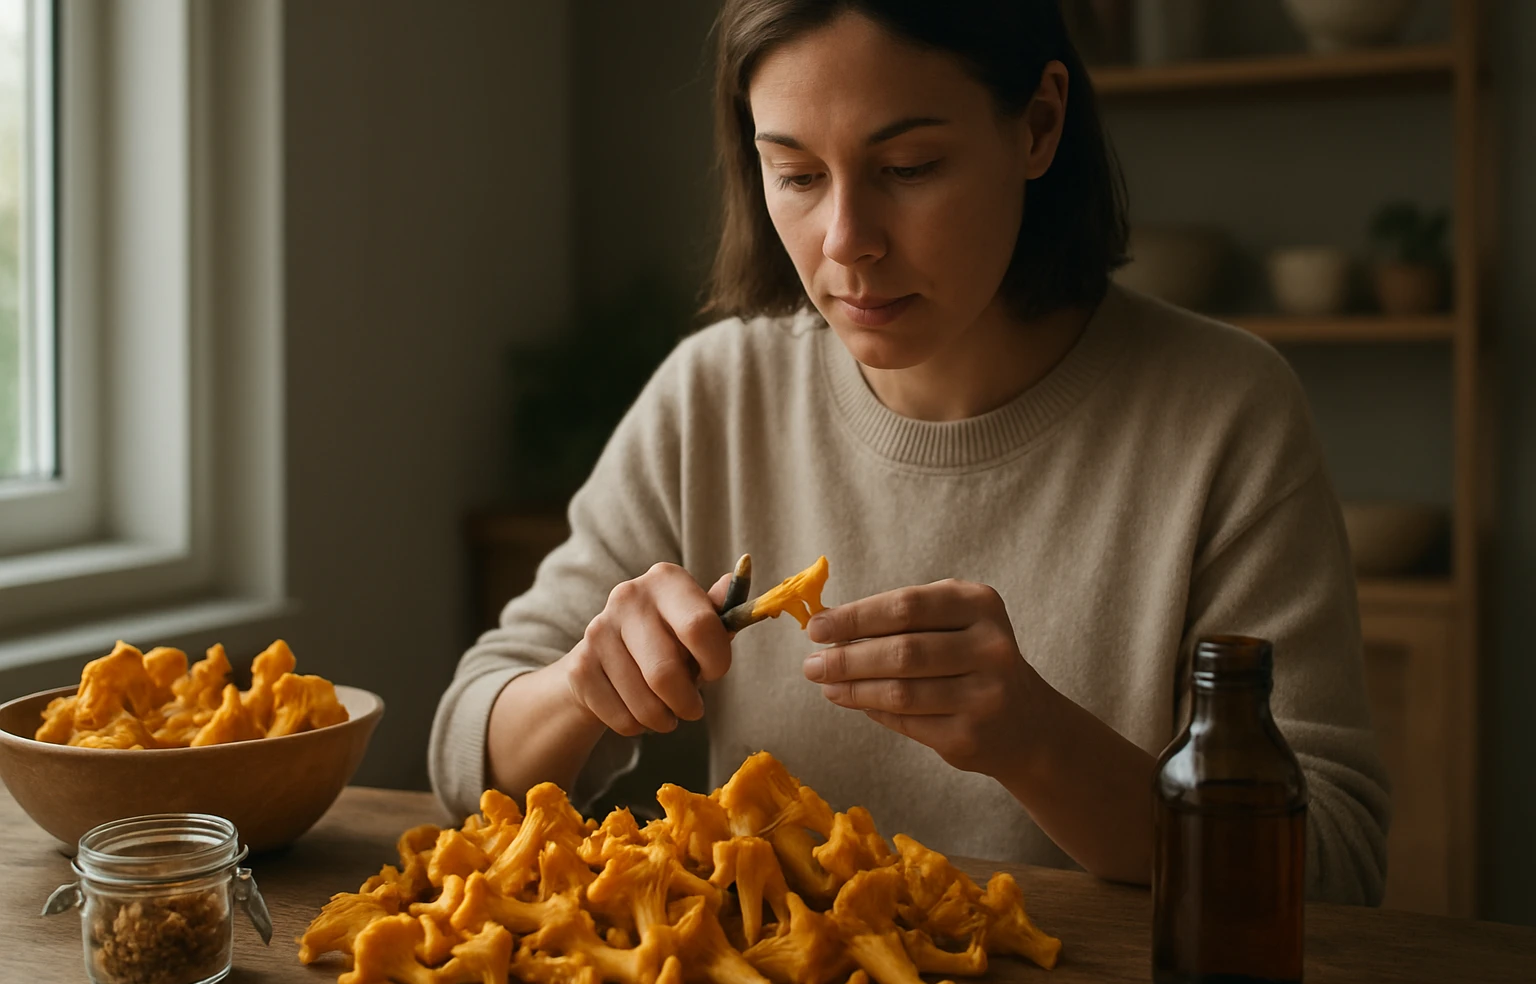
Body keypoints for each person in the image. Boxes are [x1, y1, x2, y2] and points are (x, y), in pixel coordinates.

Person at [430, 0, 1390, 905]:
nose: (847, 242)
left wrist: (1040, 745)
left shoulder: (1227, 413)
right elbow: (467, 756)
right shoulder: (714, 394)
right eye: (797, 175)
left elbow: (1333, 867)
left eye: (909, 167)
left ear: (1039, 125)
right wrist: (585, 687)